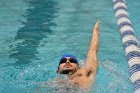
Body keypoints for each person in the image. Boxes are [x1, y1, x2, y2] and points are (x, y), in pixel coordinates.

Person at [57, 21, 100, 89]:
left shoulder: (86, 74)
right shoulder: (55, 83)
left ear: (78, 66)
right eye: (63, 61)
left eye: (72, 60)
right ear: (58, 70)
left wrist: (95, 31)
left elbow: (93, 50)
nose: (67, 62)